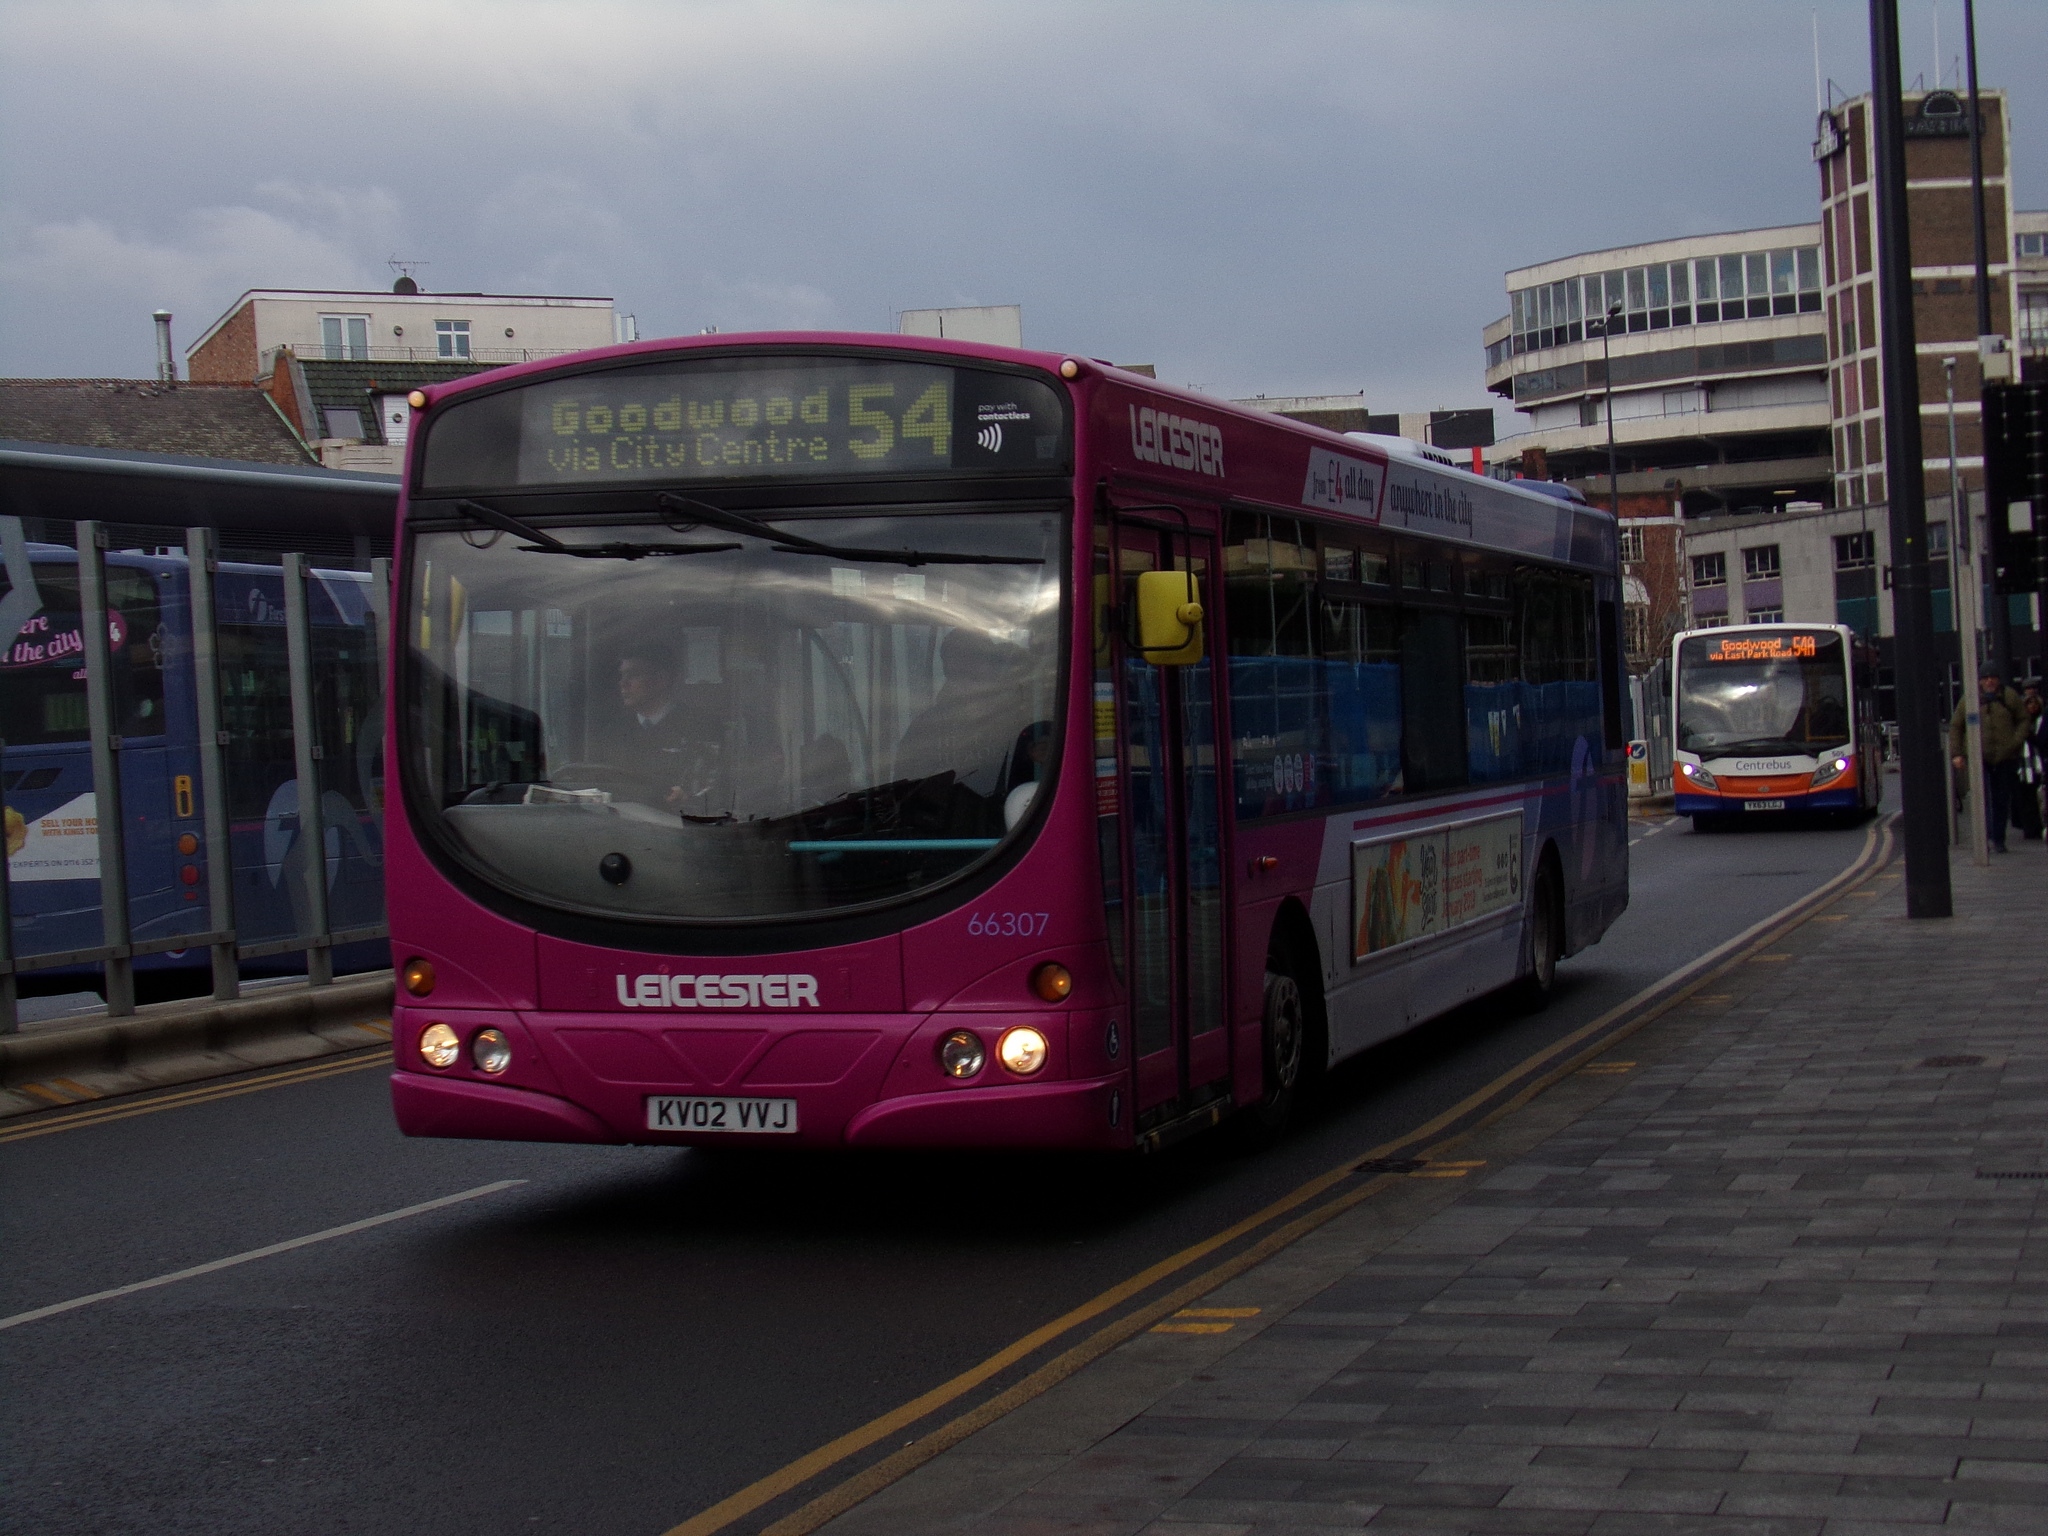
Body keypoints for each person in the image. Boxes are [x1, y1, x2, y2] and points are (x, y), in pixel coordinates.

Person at [610, 641, 713, 810]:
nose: (623, 683)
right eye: (622, 676)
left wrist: (688, 796)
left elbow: (712, 791)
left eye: (633, 675)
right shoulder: (614, 732)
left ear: (661, 680)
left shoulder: (701, 728)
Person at [1949, 668, 2029, 853]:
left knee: (2001, 799)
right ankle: (1987, 834)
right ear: (1980, 681)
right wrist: (1957, 754)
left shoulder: (2009, 696)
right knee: (1982, 798)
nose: (1989, 681)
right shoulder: (1969, 699)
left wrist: (2015, 742)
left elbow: (2023, 720)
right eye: (1985, 678)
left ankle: (1998, 838)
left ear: (1998, 680)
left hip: (2005, 758)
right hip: (1979, 758)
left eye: (1993, 677)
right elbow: (1956, 726)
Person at [2015, 685, 2045, 842]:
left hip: (2039, 764)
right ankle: (2029, 828)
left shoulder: (2042, 721)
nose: (2032, 707)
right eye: (2029, 703)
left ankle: (2039, 826)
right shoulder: (2021, 722)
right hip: (2024, 766)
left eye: (2035, 704)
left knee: (2039, 798)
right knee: (2026, 798)